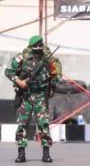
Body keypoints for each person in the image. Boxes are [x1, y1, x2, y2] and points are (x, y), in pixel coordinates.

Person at [5, 35, 62, 163]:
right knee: (22, 125)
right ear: (31, 47)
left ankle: (46, 153)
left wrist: (51, 80)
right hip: (25, 96)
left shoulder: (48, 60)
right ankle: (21, 153)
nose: (38, 49)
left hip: (40, 96)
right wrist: (19, 81)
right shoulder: (22, 58)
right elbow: (8, 71)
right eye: (35, 46)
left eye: (40, 46)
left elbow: (57, 76)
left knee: (43, 125)